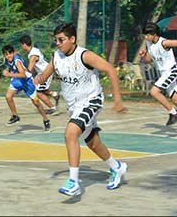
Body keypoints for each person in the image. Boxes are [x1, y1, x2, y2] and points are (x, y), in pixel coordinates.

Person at [35, 23, 127, 196]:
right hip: (74, 106)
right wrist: (37, 79)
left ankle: (73, 182)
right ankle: (117, 167)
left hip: (91, 101)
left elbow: (110, 70)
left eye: (61, 40)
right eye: (56, 40)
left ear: (72, 39)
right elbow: (45, 75)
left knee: (70, 133)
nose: (58, 43)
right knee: (92, 142)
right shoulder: (57, 57)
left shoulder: (85, 55)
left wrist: (117, 100)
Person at [138, 22, 177, 136]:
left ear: (154, 34)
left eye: (147, 35)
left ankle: (173, 113)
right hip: (163, 73)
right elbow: (149, 59)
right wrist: (144, 55)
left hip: (171, 71)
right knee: (176, 100)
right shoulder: (149, 44)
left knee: (154, 91)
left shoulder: (164, 42)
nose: (145, 37)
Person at [1, 44, 51, 131]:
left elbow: (23, 74)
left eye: (10, 53)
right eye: (6, 54)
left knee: (36, 102)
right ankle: (15, 115)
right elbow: (9, 67)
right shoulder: (6, 59)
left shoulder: (17, 61)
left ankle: (46, 119)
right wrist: (7, 70)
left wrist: (9, 74)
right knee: (8, 97)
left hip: (27, 81)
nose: (8, 55)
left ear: (13, 53)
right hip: (17, 80)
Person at [19, 35, 60, 115]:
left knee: (39, 93)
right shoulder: (34, 50)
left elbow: (29, 70)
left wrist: (20, 72)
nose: (21, 47)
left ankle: (53, 108)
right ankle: (54, 95)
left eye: (21, 45)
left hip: (45, 73)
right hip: (43, 72)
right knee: (42, 90)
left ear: (24, 44)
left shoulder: (33, 56)